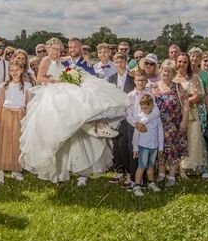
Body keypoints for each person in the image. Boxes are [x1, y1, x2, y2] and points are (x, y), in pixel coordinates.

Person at [19, 38, 127, 185]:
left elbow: (72, 56)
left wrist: (86, 57)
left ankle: (97, 126)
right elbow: (39, 78)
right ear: (48, 48)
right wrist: (57, 81)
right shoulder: (45, 59)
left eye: (59, 49)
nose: (57, 52)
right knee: (57, 135)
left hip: (61, 93)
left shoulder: (60, 59)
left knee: (76, 117)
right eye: (54, 49)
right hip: (51, 96)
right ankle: (96, 127)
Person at [150, 59, 188, 186]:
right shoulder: (154, 86)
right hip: (157, 124)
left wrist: (184, 122)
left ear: (174, 74)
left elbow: (186, 106)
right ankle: (161, 174)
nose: (166, 74)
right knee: (160, 149)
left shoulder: (178, 87)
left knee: (173, 150)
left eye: (169, 72)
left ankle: (171, 176)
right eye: (164, 71)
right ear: (161, 71)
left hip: (174, 124)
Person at [0, 64, 31, 184]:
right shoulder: (5, 85)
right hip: (5, 114)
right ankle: (1, 169)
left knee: (16, 142)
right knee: (4, 141)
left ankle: (16, 169)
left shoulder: (27, 85)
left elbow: (28, 103)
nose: (14, 72)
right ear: (9, 71)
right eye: (11, 70)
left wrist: (26, 118)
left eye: (17, 70)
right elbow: (0, 104)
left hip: (19, 115)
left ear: (22, 70)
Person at [176, 53, 208, 178]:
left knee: (193, 138)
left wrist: (185, 101)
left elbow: (198, 96)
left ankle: (192, 165)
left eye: (185, 62)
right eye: (180, 62)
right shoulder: (173, 77)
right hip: (177, 113)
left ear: (188, 63)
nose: (182, 64)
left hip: (192, 113)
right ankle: (178, 166)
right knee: (179, 140)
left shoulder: (194, 77)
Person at [108, 53, 136, 187]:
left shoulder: (132, 78)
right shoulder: (111, 79)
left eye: (122, 61)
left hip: (129, 115)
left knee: (126, 144)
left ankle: (130, 172)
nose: (119, 64)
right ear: (114, 63)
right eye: (117, 62)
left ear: (126, 62)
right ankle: (119, 170)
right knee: (116, 144)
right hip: (115, 116)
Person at [132, 94, 163, 197]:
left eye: (146, 107)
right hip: (143, 146)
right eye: (142, 108)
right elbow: (136, 135)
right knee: (142, 165)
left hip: (154, 146)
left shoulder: (156, 117)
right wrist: (135, 148)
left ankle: (151, 182)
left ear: (152, 106)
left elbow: (160, 132)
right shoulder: (139, 118)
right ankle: (137, 186)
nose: (144, 110)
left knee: (151, 165)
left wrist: (161, 146)